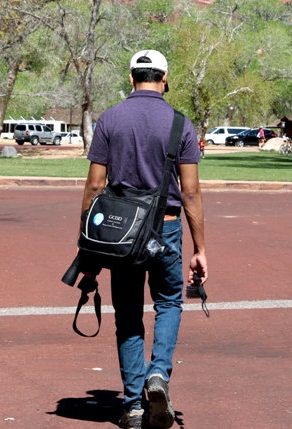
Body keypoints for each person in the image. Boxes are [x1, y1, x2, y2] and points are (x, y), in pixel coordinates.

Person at [80, 50, 206, 429]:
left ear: (132, 77)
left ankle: (133, 406)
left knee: (129, 316)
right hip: (166, 229)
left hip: (122, 235)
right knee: (169, 303)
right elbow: (191, 194)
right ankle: (159, 375)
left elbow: (94, 186)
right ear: (164, 79)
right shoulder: (180, 124)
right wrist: (200, 249)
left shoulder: (110, 119)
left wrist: (87, 246)